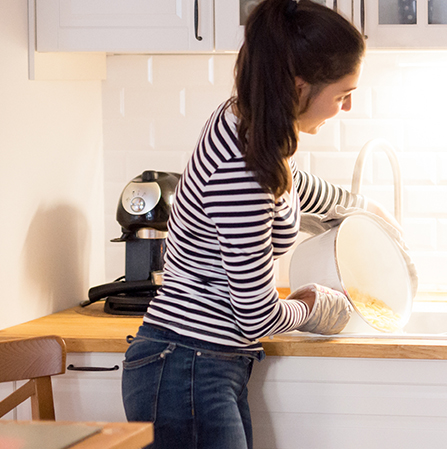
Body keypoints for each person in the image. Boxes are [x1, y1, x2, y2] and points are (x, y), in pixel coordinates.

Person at [119, 1, 393, 448]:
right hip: (187, 369)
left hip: (195, 364)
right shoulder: (241, 169)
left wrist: (359, 208)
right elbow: (254, 317)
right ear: (300, 86)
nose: (346, 106)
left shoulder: (247, 123)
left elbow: (289, 181)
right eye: (343, 93)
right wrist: (318, 305)